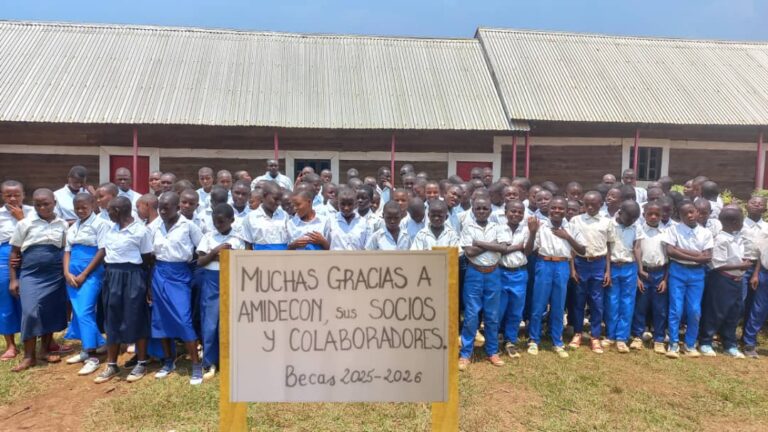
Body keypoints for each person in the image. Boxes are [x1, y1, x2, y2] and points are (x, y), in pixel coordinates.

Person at [8, 189, 69, 372]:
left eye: (46, 204)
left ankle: (44, 350)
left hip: (55, 274)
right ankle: (29, 356)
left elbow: (65, 249)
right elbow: (14, 253)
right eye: (38, 204)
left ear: (54, 202)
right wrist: (13, 279)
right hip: (31, 274)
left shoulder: (63, 224)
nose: (42, 207)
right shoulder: (25, 223)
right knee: (30, 312)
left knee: (50, 311)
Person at [94, 196, 153, 383]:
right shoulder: (109, 228)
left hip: (133, 275)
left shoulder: (141, 231)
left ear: (118, 211)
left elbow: (148, 261)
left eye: (109, 210)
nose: (107, 213)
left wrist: (147, 285)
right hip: (112, 275)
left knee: (136, 316)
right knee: (112, 317)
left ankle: (141, 361)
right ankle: (112, 365)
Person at [151, 192, 205, 384]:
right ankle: (168, 361)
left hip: (180, 274)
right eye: (160, 207)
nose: (163, 211)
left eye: (167, 207)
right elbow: (149, 252)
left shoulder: (189, 226)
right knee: (160, 318)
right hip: (159, 273)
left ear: (177, 207)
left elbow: (202, 250)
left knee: (184, 318)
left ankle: (196, 364)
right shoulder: (155, 225)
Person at [527, 197, 586, 358]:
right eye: (554, 208)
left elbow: (582, 250)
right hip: (544, 263)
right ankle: (533, 339)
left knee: (558, 305)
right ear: (549, 209)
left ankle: (557, 341)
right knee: (538, 303)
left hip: (562, 265)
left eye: (561, 208)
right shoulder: (540, 226)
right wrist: (532, 232)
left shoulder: (572, 227)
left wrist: (567, 236)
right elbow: (529, 250)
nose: (557, 211)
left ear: (566, 210)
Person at [196, 203, 247, 379]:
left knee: (231, 322)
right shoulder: (209, 236)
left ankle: (232, 360)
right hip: (211, 282)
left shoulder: (238, 239)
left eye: (222, 222)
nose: (218, 225)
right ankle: (210, 362)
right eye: (215, 222)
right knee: (210, 323)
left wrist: (225, 256)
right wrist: (216, 252)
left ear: (232, 220)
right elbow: (200, 261)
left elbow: (241, 260)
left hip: (232, 280)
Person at [62, 193, 110, 375]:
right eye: (77, 208)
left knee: (85, 311)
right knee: (77, 312)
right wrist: (67, 272)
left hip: (90, 273)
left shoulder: (100, 224)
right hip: (72, 274)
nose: (80, 211)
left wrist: (84, 274)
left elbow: (102, 250)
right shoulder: (73, 226)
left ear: (93, 205)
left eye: (84, 207)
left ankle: (93, 357)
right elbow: (67, 251)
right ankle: (87, 348)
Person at [458, 196, 507, 370]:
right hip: (474, 273)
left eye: (485, 208)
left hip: (493, 273)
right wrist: (490, 244)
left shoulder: (498, 227)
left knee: (492, 315)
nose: (481, 211)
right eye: (478, 208)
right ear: (473, 210)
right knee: (471, 314)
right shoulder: (468, 227)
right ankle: (465, 353)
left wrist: (479, 243)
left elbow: (503, 248)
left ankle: (492, 351)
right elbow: (469, 252)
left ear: (490, 210)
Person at [663, 201, 713, 359]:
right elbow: (671, 251)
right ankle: (674, 343)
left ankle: (690, 344)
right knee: (676, 308)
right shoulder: (673, 230)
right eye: (685, 214)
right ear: (680, 216)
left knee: (694, 310)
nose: (690, 215)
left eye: (692, 212)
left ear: (698, 212)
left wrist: (682, 250)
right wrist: (696, 255)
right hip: (678, 270)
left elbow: (708, 256)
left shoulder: (706, 233)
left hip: (697, 274)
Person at [699, 206, 751, 358]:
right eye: (741, 220)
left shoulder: (737, 237)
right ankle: (706, 342)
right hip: (723, 280)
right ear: (734, 222)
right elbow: (718, 264)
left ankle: (730, 344)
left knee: (734, 312)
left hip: (737, 281)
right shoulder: (721, 240)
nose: (743, 223)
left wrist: (743, 263)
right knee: (716, 311)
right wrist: (741, 265)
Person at [569, 191, 612, 353]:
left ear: (601, 204)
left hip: (599, 263)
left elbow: (608, 247)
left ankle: (595, 336)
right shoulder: (576, 220)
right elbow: (571, 247)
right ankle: (578, 333)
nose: (589, 207)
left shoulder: (607, 222)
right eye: (586, 204)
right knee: (579, 300)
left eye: (593, 204)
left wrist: (608, 270)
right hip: (581, 263)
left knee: (597, 302)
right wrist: (572, 268)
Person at [604, 200, 643, 353]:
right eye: (629, 218)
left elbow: (637, 247)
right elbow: (607, 248)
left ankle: (622, 338)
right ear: (620, 212)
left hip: (629, 267)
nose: (631, 221)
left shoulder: (636, 226)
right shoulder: (609, 224)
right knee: (612, 302)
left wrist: (640, 269)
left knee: (627, 303)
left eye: (634, 219)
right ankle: (610, 335)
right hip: (613, 266)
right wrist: (607, 271)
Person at [630, 202, 669, 354]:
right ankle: (638, 336)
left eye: (657, 214)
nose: (653, 217)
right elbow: (634, 252)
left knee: (660, 308)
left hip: (660, 272)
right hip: (642, 272)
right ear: (644, 214)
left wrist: (665, 279)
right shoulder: (638, 231)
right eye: (650, 214)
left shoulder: (667, 232)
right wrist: (637, 276)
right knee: (640, 305)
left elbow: (670, 258)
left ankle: (659, 338)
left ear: (662, 216)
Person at [496, 200, 533, 359]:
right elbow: (499, 251)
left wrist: (533, 233)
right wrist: (517, 246)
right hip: (500, 272)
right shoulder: (498, 229)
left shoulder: (527, 230)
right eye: (513, 211)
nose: (516, 214)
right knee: (498, 309)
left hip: (519, 273)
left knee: (515, 309)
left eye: (520, 212)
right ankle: (495, 338)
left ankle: (510, 340)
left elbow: (528, 251)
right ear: (506, 212)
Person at [0, 180, 32, 361]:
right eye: (8, 195)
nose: (12, 198)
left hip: (29, 256)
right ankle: (11, 345)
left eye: (16, 195)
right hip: (4, 258)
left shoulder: (32, 212)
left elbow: (37, 232)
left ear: (23, 195)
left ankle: (31, 338)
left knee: (29, 298)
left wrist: (22, 219)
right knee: (6, 299)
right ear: (2, 196)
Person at [243, 182, 289, 250]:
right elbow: (248, 245)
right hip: (260, 258)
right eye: (275, 199)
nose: (278, 203)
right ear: (264, 196)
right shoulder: (251, 217)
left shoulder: (284, 215)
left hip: (282, 257)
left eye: (280, 200)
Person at [328, 186, 369, 250]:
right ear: (337, 203)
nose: (346, 208)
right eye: (343, 204)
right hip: (336, 258)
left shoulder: (363, 222)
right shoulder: (331, 221)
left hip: (357, 258)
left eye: (350, 204)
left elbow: (366, 247)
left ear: (355, 204)